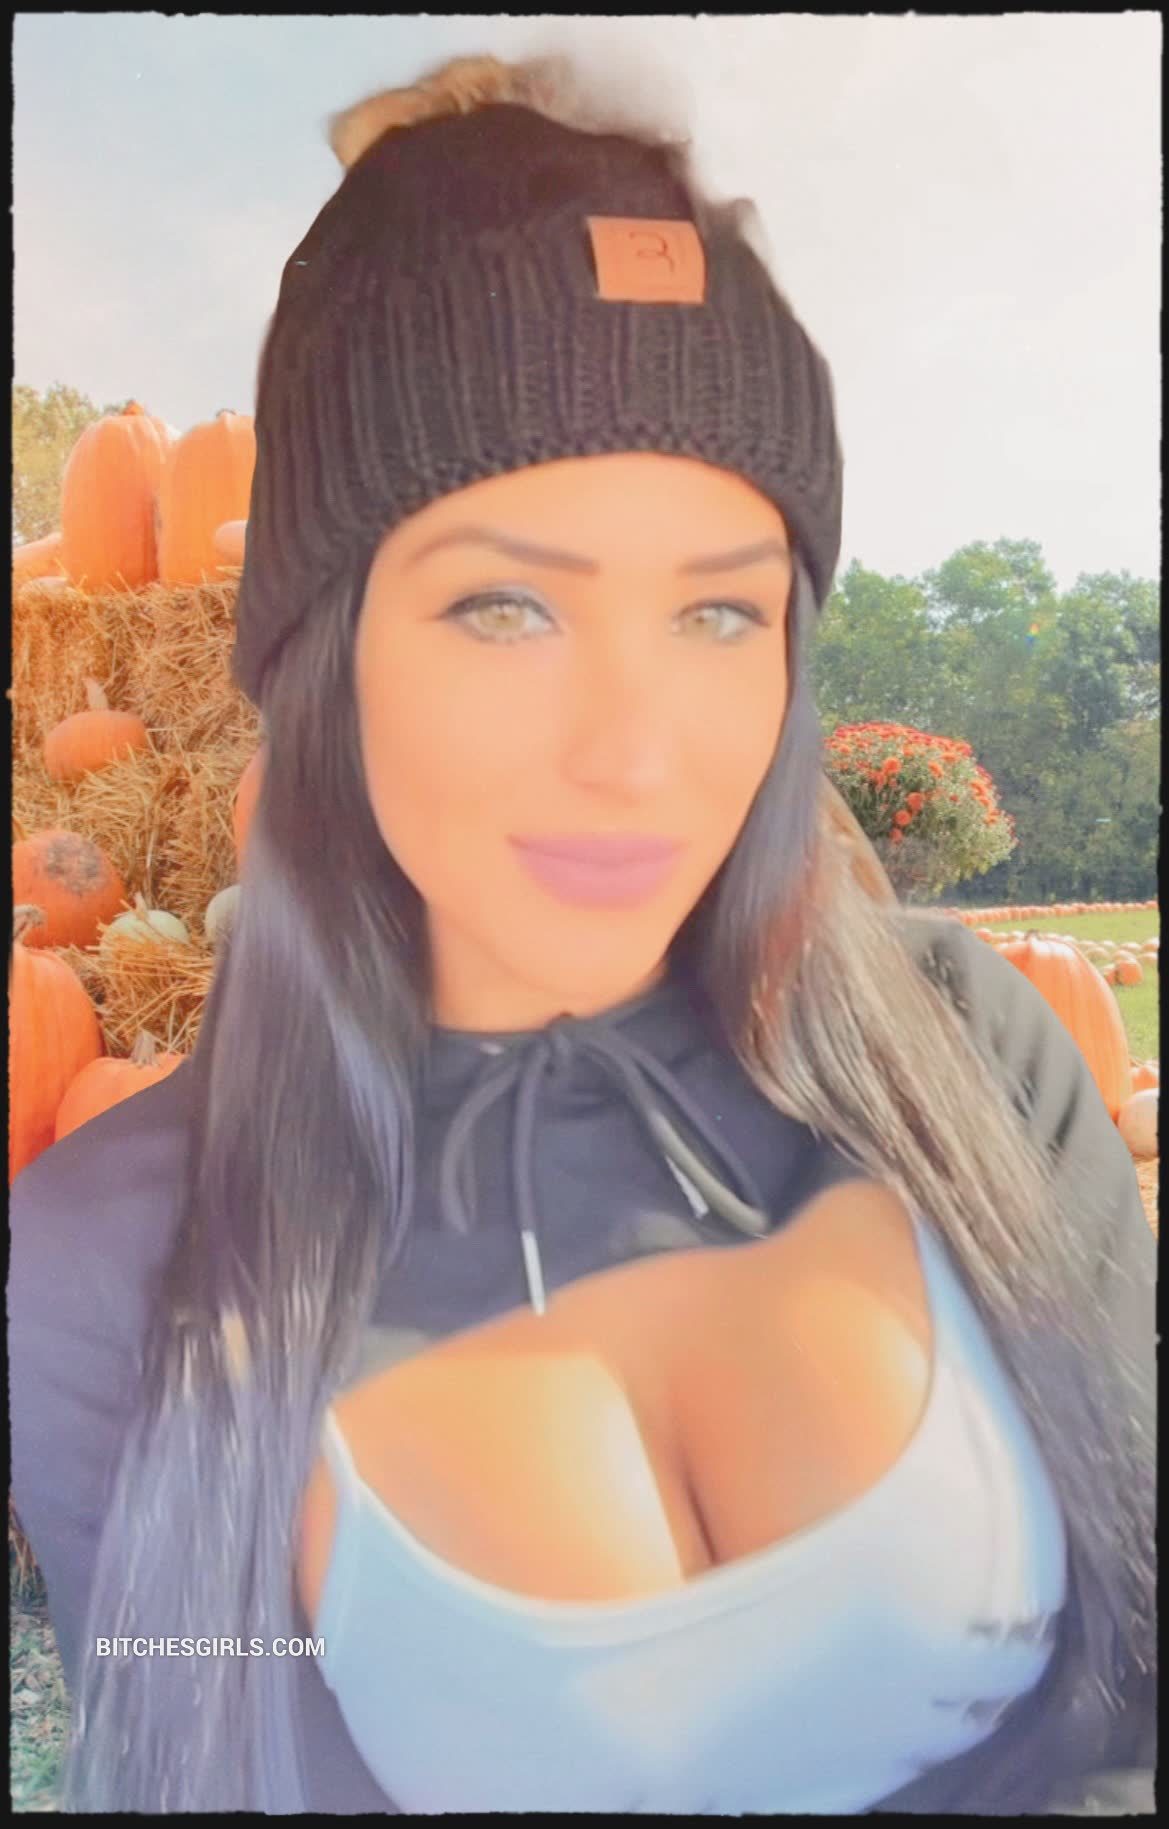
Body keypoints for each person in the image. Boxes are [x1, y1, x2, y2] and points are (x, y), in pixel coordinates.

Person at [8, 51, 1155, 1815]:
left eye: (718, 614)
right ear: (320, 654)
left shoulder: (970, 1049)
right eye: (505, 605)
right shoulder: (116, 1250)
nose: (634, 752)